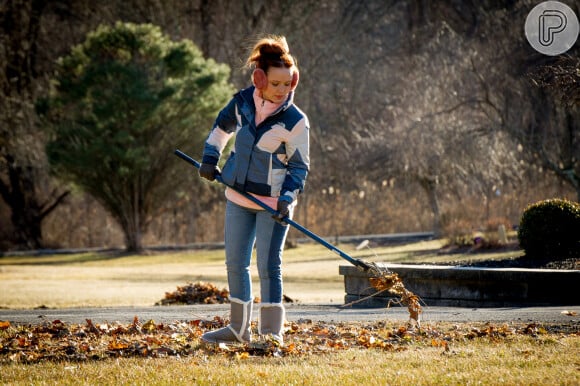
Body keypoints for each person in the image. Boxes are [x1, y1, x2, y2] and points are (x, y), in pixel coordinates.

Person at [198, 35, 309, 346]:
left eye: (288, 83)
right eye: (275, 83)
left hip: (274, 205)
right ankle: (238, 328)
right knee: (235, 263)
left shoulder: (296, 121)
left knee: (268, 266)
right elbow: (221, 128)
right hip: (238, 197)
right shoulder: (243, 103)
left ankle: (272, 334)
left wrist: (287, 200)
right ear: (259, 79)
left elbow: (299, 168)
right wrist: (210, 158)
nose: (282, 90)